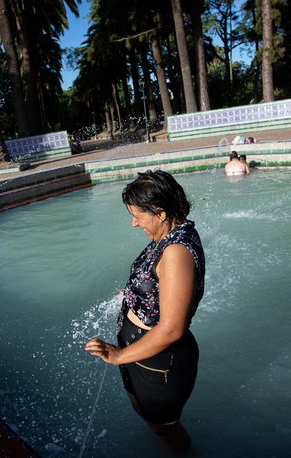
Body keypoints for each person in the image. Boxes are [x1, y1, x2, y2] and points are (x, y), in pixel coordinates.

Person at [84, 170, 205, 451]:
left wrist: (120, 355)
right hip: (144, 353)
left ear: (161, 213)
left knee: (167, 432)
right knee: (149, 417)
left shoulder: (176, 252)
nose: (133, 223)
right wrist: (136, 294)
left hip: (160, 361)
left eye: (138, 215)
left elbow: (172, 328)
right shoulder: (172, 233)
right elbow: (161, 285)